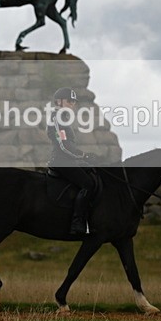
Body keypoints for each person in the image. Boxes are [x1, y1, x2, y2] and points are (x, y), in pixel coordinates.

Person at [47, 87, 96, 235]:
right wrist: (81, 155)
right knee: (88, 184)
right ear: (58, 102)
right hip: (61, 162)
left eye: (74, 102)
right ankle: (78, 223)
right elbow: (63, 145)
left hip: (69, 160)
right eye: (69, 101)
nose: (72, 104)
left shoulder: (64, 119)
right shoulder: (56, 117)